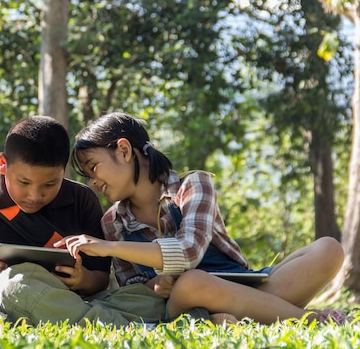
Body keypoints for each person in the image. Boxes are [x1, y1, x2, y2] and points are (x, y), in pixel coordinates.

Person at [58, 111, 347, 325]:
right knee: (193, 283)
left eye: (94, 167)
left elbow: (189, 251)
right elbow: (132, 288)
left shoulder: (193, 185)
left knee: (328, 249)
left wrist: (108, 247)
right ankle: (310, 320)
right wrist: (154, 285)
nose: (93, 182)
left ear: (123, 150)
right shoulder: (112, 222)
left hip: (241, 287)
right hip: (184, 300)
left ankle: (231, 317)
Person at [0, 116, 175, 326]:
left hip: (76, 301)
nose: (35, 196)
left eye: (49, 185)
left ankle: (96, 319)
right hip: (15, 294)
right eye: (24, 182)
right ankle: (118, 325)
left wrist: (82, 279)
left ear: (63, 172)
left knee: (145, 294)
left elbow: (101, 280)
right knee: (14, 283)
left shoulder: (82, 199)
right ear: (3, 165)